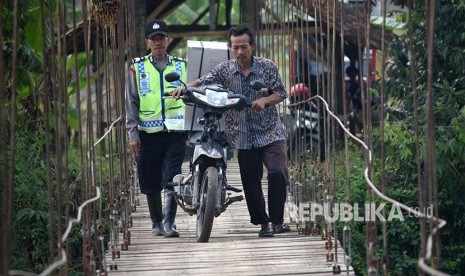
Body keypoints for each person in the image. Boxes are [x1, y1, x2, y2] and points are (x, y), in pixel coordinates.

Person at [173, 24, 290, 238]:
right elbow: (203, 81)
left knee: (276, 172)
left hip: (270, 130)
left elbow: (281, 94)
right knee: (249, 179)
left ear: (252, 46)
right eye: (235, 47)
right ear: (230, 47)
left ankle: (277, 220)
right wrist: (184, 88)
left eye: (244, 47)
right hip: (242, 134)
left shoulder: (267, 67)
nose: (240, 52)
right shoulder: (224, 69)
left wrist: (264, 100)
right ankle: (263, 223)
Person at [125, 19, 187, 238]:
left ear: (168, 40)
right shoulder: (137, 67)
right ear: (147, 42)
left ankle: (170, 223)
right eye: (154, 39)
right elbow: (131, 102)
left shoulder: (181, 65)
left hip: (175, 132)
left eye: (162, 38)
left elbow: (192, 93)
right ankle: (156, 222)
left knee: (173, 176)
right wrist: (132, 133)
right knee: (150, 179)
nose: (158, 43)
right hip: (148, 134)